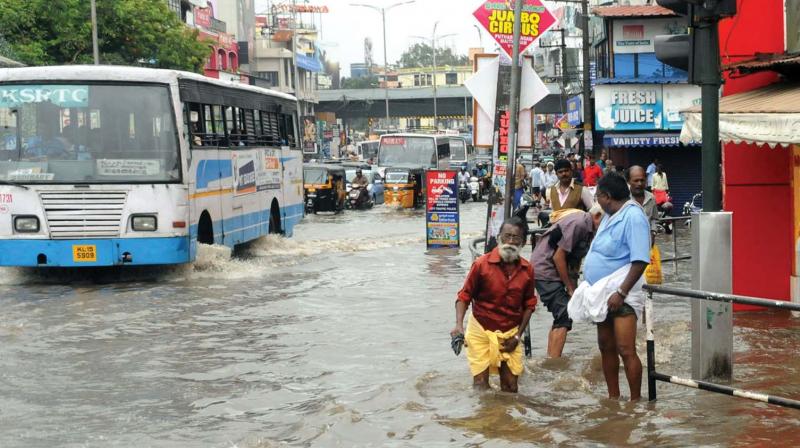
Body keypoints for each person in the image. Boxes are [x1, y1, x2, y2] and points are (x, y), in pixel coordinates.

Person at [575, 173, 650, 401]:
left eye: (598, 196)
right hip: (601, 293)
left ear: (607, 197)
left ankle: (635, 401)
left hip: (623, 294)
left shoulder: (634, 216)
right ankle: (613, 398)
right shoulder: (610, 214)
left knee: (625, 349)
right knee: (605, 346)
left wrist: (621, 292)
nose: (596, 201)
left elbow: (640, 261)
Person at [451, 216, 537, 392]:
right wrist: (459, 325)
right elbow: (464, 296)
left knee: (511, 387)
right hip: (481, 330)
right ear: (499, 237)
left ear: (524, 241)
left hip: (510, 332)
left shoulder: (527, 269)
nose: (510, 242)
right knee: (481, 386)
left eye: (516, 238)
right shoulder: (481, 265)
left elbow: (529, 305)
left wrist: (517, 337)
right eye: (507, 236)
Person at [532, 206, 603, 357]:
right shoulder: (579, 223)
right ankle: (554, 363)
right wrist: (570, 288)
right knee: (564, 314)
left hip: (554, 270)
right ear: (597, 216)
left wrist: (574, 290)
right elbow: (559, 257)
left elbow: (574, 261)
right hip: (545, 269)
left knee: (562, 314)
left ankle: (550, 358)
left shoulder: (589, 229)